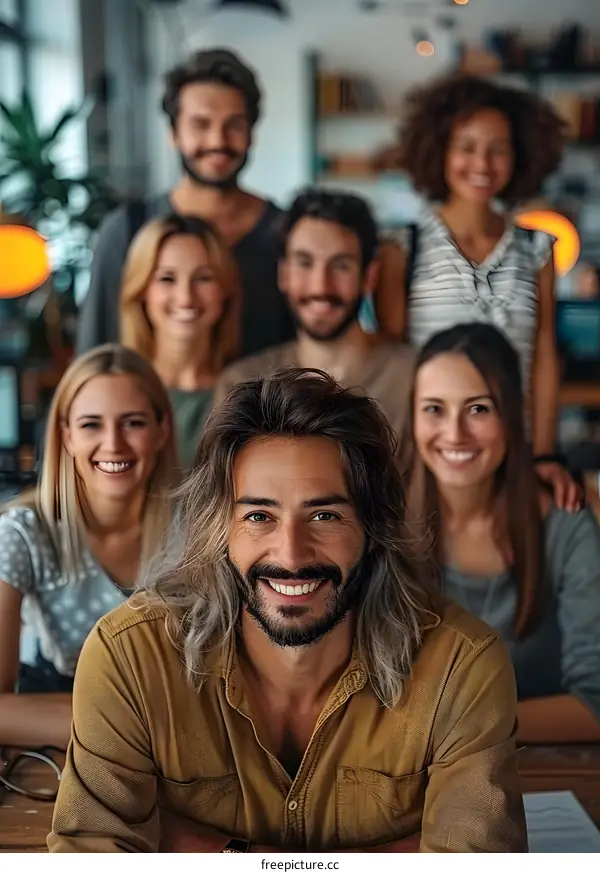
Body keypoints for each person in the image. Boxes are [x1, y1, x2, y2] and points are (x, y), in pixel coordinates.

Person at [49, 368, 526, 853]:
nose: (292, 555)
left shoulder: (461, 667)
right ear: (220, 529)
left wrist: (207, 848)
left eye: (325, 516)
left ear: (373, 530)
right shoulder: (131, 657)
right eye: (259, 516)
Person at [375, 73, 574, 505]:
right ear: (439, 151)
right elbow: (393, 363)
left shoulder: (538, 250)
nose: (482, 164)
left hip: (512, 451)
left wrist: (544, 453)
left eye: (498, 148)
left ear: (519, 155)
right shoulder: (401, 249)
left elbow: (542, 359)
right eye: (466, 146)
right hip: (429, 455)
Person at [404, 323, 600, 745]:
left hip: (539, 775)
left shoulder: (565, 527)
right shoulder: (385, 526)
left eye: (479, 409)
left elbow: (595, 705)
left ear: (512, 415)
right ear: (413, 415)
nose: (455, 433)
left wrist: (458, 728)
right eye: (434, 408)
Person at [0, 344, 177, 749]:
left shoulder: (200, 528)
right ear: (66, 437)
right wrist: (128, 728)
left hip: (170, 740)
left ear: (162, 429)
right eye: (91, 425)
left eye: (132, 422)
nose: (113, 444)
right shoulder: (24, 532)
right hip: (91, 735)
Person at [77, 48, 293, 357]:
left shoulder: (284, 233)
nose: (218, 141)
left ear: (251, 133)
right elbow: (93, 357)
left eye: (233, 125)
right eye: (200, 124)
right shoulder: (128, 230)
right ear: (174, 133)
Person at [213, 188, 415, 438]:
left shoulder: (414, 378)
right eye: (305, 263)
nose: (321, 286)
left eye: (341, 265)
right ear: (283, 273)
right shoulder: (242, 386)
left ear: (369, 276)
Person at [121, 213, 240, 469]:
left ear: (225, 289)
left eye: (203, 278)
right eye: (167, 278)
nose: (186, 297)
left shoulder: (249, 395)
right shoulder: (116, 391)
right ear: (142, 290)